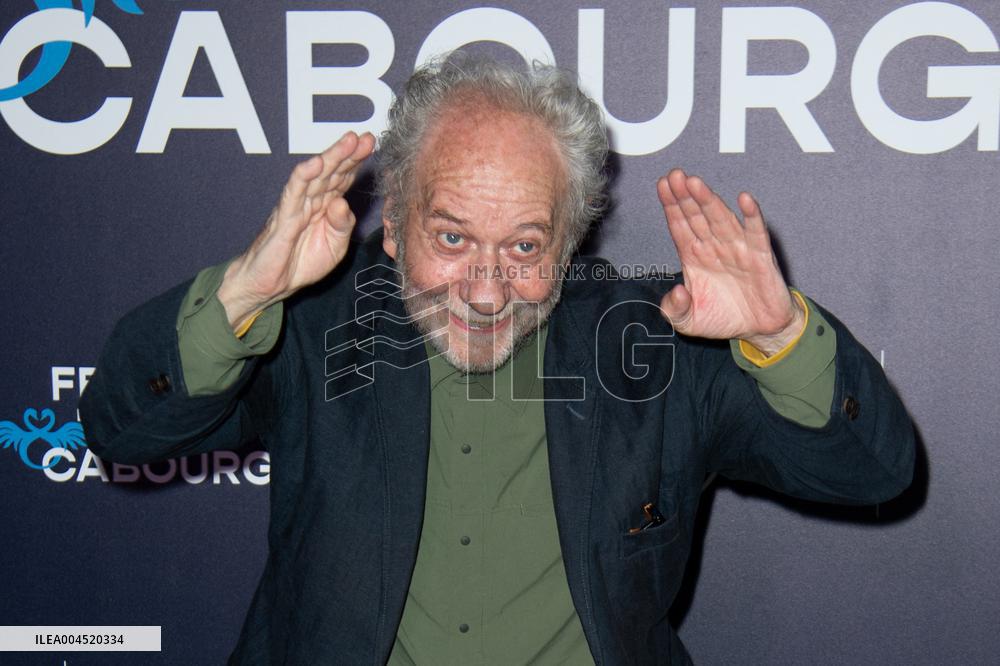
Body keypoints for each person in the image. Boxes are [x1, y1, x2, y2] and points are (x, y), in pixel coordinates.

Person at [79, 54, 915, 665]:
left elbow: (874, 471)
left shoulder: (659, 341)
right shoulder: (310, 326)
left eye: (523, 246)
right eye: (451, 238)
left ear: (571, 238)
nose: (485, 291)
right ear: (394, 222)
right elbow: (122, 429)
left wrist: (779, 336)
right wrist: (245, 291)